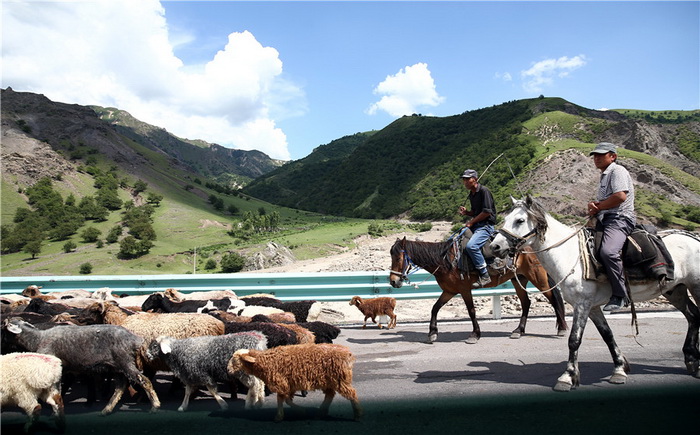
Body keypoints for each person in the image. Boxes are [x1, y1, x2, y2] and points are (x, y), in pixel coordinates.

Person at [587, 142, 636, 311]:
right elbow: (608, 200)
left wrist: (599, 206)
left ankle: (620, 295)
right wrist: (596, 206)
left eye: (601, 155)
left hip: (620, 219)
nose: (596, 158)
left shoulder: (617, 171)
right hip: (606, 219)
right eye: (595, 155)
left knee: (608, 252)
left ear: (613, 156)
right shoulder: (605, 175)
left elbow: (620, 196)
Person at [458, 169, 497, 288]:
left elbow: (486, 212)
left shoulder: (484, 191)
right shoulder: (472, 194)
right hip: (477, 225)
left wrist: (471, 222)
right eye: (464, 179)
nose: (465, 182)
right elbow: (476, 212)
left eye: (467, 179)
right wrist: (467, 213)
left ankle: (485, 275)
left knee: (472, 246)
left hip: (486, 226)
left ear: (475, 179)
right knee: (459, 239)